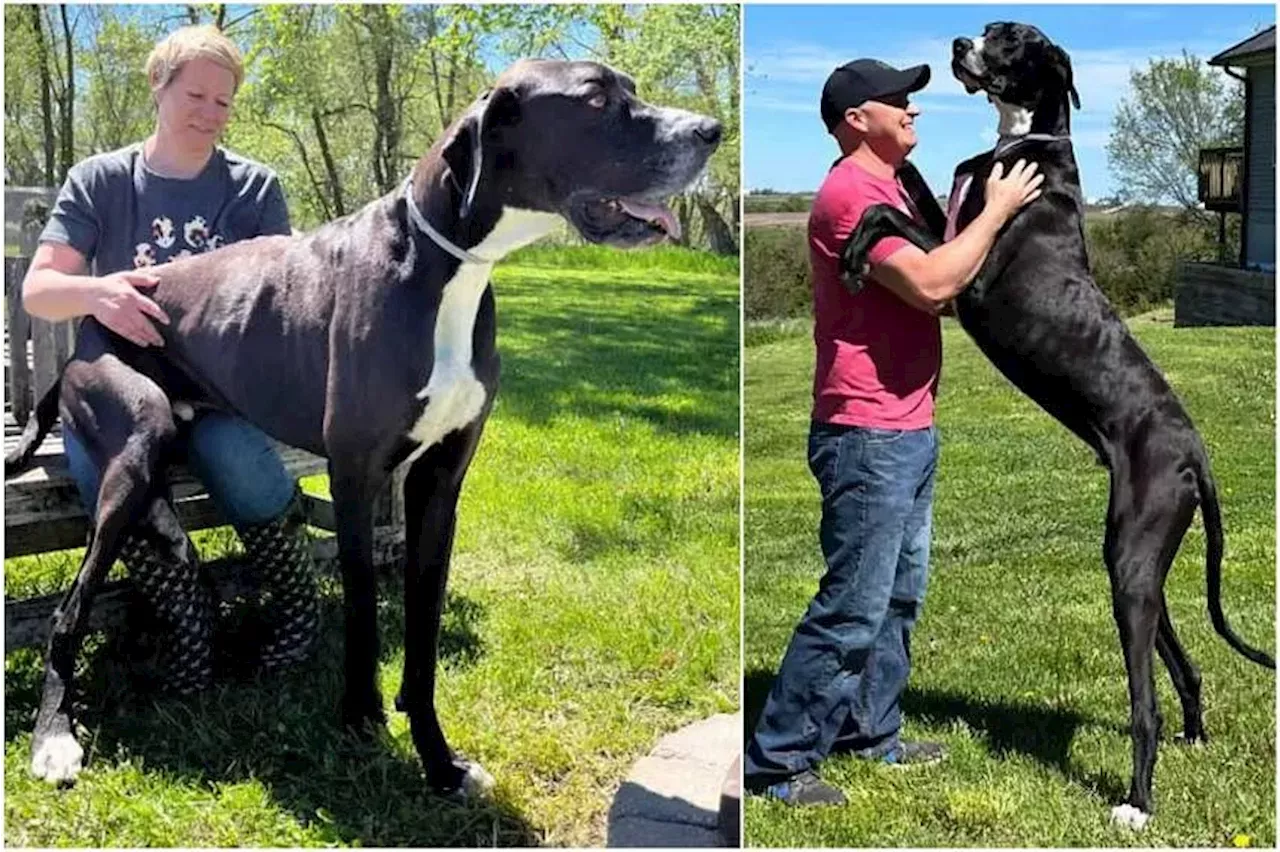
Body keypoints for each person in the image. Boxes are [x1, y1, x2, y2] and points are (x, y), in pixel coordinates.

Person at [744, 59, 1044, 806]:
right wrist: (998, 208)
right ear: (856, 119)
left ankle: (869, 731)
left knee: (898, 596)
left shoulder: (896, 188)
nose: (913, 109)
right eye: (898, 101)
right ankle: (779, 761)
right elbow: (936, 283)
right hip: (865, 431)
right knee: (852, 601)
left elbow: (941, 284)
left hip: (908, 422)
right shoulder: (850, 195)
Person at [21, 24, 317, 694]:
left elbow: (284, 304)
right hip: (115, 388)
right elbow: (40, 291)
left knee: (240, 459)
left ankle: (298, 611)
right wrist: (98, 293)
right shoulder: (100, 180)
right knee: (119, 480)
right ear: (158, 86)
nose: (209, 113)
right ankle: (191, 624)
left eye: (224, 102)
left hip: (214, 389)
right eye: (195, 94)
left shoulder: (253, 188)